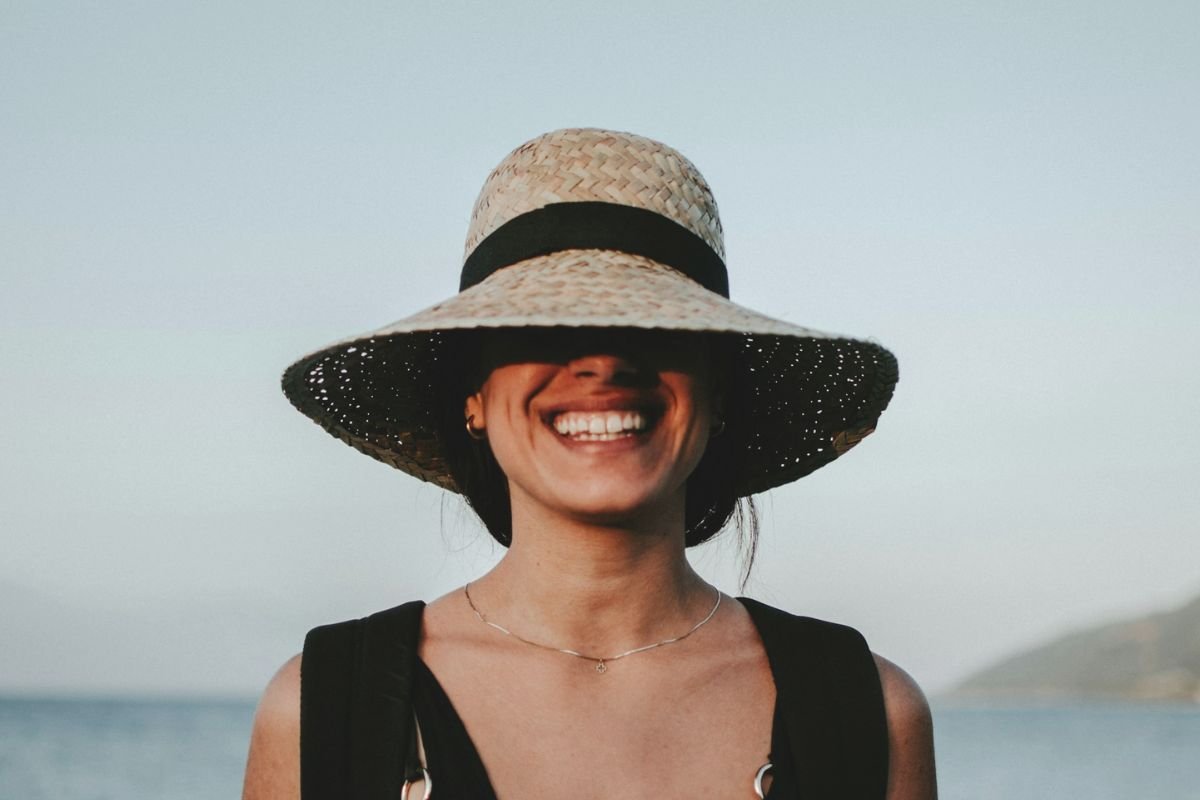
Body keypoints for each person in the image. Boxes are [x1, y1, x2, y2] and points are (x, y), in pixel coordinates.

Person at [243, 128, 936, 799]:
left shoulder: (869, 713)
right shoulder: (324, 710)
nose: (603, 361)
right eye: (544, 323)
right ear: (472, 395)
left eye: (657, 323)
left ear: (717, 392)